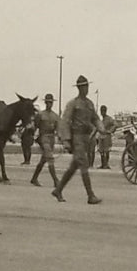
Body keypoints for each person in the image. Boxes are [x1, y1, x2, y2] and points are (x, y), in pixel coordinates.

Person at [52, 75, 103, 204]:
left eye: (87, 86)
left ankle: (58, 190)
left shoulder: (90, 103)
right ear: (79, 88)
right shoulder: (73, 104)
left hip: (86, 138)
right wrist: (66, 140)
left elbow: (95, 118)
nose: (86, 89)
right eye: (83, 87)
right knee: (84, 164)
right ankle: (90, 195)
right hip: (77, 137)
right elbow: (65, 122)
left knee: (74, 166)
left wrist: (102, 128)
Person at [29, 93, 60, 188]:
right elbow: (35, 126)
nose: (49, 104)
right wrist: (32, 136)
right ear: (45, 103)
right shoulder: (41, 115)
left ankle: (34, 178)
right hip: (43, 138)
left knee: (44, 160)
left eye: (50, 102)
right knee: (50, 158)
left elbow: (58, 129)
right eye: (47, 102)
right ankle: (56, 180)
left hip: (51, 139)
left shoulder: (55, 116)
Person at [97, 104, 113, 169]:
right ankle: (102, 164)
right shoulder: (101, 119)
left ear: (105, 111)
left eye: (103, 111)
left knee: (106, 151)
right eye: (101, 111)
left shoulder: (109, 119)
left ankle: (106, 164)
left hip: (107, 137)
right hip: (101, 137)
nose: (102, 112)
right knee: (101, 151)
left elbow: (115, 125)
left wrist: (110, 131)